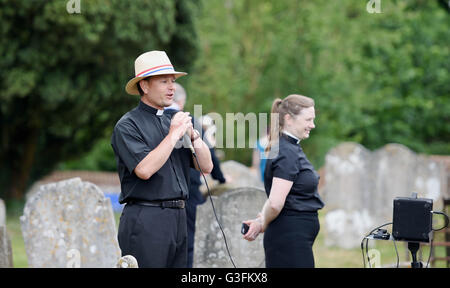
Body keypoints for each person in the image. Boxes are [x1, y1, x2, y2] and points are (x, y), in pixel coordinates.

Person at [111, 51, 213, 268]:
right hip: (146, 218)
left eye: (173, 81)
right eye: (164, 81)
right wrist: (174, 134)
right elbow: (145, 169)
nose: (172, 87)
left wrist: (194, 136)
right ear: (144, 86)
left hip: (178, 217)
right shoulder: (127, 125)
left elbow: (206, 166)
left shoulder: (173, 122)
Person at [242, 94, 325, 268]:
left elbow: (277, 195)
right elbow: (275, 204)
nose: (313, 125)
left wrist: (260, 222)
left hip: (293, 237)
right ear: (288, 119)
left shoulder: (289, 146)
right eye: (308, 119)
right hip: (289, 238)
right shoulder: (286, 151)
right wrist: (263, 222)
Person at [164, 84, 227, 268]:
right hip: (188, 188)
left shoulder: (149, 119)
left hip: (156, 193)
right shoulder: (189, 120)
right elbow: (210, 155)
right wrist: (221, 178)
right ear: (181, 101)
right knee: (188, 238)